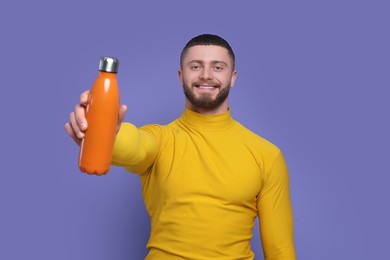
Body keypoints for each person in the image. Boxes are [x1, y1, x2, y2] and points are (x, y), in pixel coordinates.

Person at [65, 34, 296, 260]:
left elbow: (280, 252)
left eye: (218, 67)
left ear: (232, 77)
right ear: (180, 75)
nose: (206, 75)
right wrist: (104, 132)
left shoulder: (267, 155)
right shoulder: (160, 139)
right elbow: (133, 146)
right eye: (195, 66)